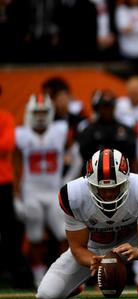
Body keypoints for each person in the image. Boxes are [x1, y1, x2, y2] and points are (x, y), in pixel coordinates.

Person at [36, 149, 138, 298]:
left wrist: (137, 251)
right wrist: (95, 260)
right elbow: (77, 248)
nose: (109, 194)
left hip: (128, 246)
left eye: (114, 187)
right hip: (93, 251)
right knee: (45, 295)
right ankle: (75, 285)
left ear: (126, 181)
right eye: (102, 189)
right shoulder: (73, 196)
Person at [13, 94, 71, 287]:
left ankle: (64, 275)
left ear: (50, 112)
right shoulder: (21, 134)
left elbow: (76, 152)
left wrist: (67, 178)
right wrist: (16, 196)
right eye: (36, 112)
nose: (39, 116)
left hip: (54, 191)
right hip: (31, 192)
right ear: (29, 113)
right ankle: (39, 276)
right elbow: (16, 166)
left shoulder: (60, 130)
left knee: (64, 235)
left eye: (43, 111)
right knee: (35, 237)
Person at [0, 106, 33, 289]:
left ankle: (19, 276)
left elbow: (6, 145)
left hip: (3, 181)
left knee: (9, 232)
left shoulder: (5, 117)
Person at [77, 90, 137, 172]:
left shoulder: (126, 131)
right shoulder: (88, 131)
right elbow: (85, 157)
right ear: (98, 108)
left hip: (121, 174)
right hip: (95, 174)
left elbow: (132, 157)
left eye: (110, 106)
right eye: (104, 107)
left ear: (114, 107)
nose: (107, 110)